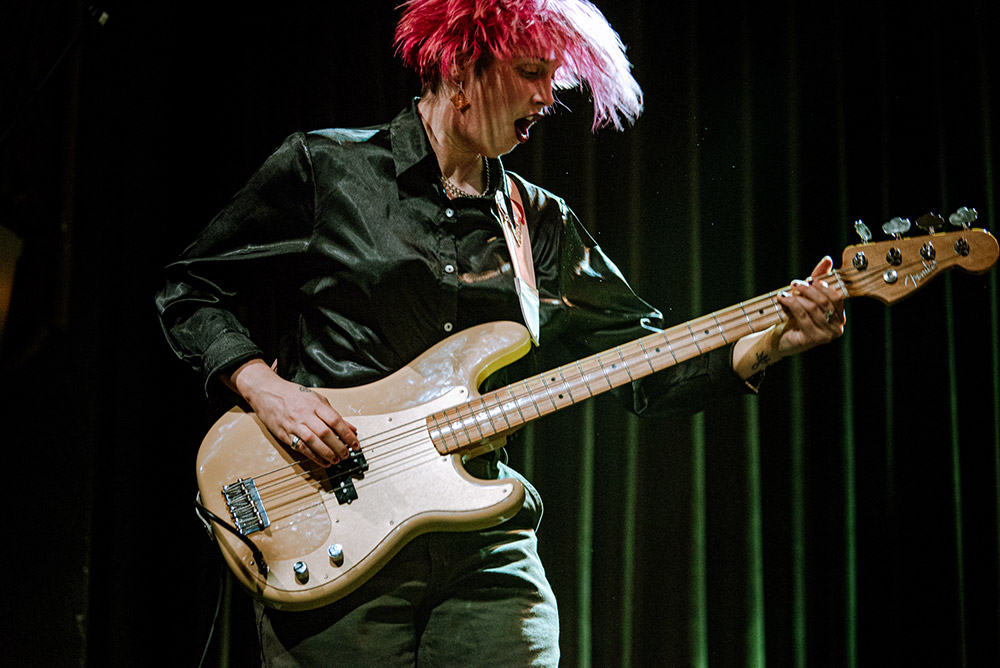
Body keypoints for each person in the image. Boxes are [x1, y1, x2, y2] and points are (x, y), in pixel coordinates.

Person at [156, 0, 845, 665]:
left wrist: (773, 341)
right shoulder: (327, 169)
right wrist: (265, 388)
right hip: (333, 524)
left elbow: (641, 365)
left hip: (483, 550)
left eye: (555, 77)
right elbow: (187, 288)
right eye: (532, 72)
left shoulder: (538, 223)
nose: (550, 98)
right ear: (461, 66)